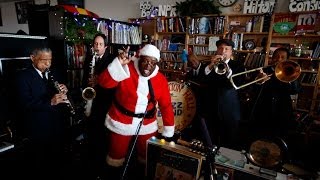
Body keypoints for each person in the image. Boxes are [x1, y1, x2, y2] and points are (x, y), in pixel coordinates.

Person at [98, 44, 175, 179]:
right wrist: (118, 65)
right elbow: (104, 83)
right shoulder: (126, 69)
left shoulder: (160, 79)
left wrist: (169, 131)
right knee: (115, 157)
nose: (147, 66)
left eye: (152, 62)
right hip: (121, 121)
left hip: (147, 124)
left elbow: (166, 106)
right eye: (145, 60)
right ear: (140, 58)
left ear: (157, 63)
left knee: (147, 157)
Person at [14, 47, 70, 179]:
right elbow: (24, 104)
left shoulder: (53, 73)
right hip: (38, 129)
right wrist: (50, 102)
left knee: (57, 160)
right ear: (32, 58)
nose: (48, 64)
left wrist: (64, 90)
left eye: (50, 60)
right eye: (44, 60)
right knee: (41, 164)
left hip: (55, 125)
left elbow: (57, 95)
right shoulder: (22, 77)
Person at [82, 33, 116, 178]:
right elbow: (85, 77)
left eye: (100, 44)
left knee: (102, 135)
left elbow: (113, 83)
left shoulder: (111, 60)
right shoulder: (89, 58)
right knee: (91, 131)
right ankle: (91, 160)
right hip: (91, 99)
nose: (97, 46)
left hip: (104, 101)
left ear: (106, 46)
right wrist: (88, 84)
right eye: (95, 44)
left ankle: (102, 164)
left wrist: (98, 82)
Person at [249, 47, 302, 141]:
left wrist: (290, 79)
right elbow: (251, 90)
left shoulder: (291, 71)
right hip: (263, 110)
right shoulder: (263, 71)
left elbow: (296, 90)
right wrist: (258, 81)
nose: (279, 59)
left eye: (282, 57)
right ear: (272, 58)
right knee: (260, 138)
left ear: (287, 60)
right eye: (276, 57)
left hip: (283, 111)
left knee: (279, 139)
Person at [201, 39, 245, 150]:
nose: (223, 51)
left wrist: (227, 68)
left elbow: (237, 84)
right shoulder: (209, 64)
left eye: (226, 49)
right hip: (211, 107)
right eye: (220, 48)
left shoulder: (238, 66)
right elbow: (202, 81)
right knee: (211, 137)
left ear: (231, 52)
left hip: (229, 108)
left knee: (229, 139)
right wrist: (211, 65)